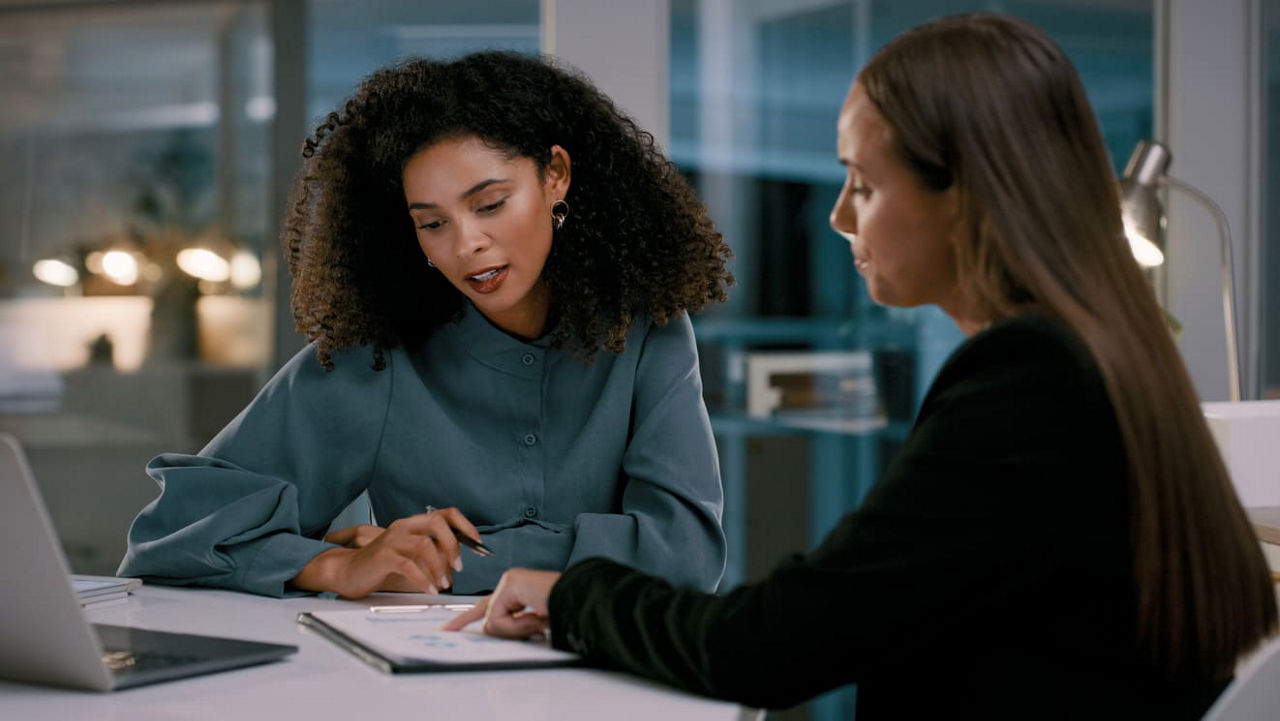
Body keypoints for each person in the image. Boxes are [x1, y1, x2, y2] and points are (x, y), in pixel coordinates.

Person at [447, 14, 1279, 718]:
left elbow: (771, 646)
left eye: (863, 184)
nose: (841, 216)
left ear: (968, 197)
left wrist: (573, 595)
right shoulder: (1101, 357)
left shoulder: (1031, 385)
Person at [117, 51, 733, 599]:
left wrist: (451, 561)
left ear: (555, 176)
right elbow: (170, 534)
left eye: (490, 204)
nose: (467, 244)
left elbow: (685, 557)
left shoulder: (648, 330)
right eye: (432, 223)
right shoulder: (382, 357)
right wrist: (332, 566)